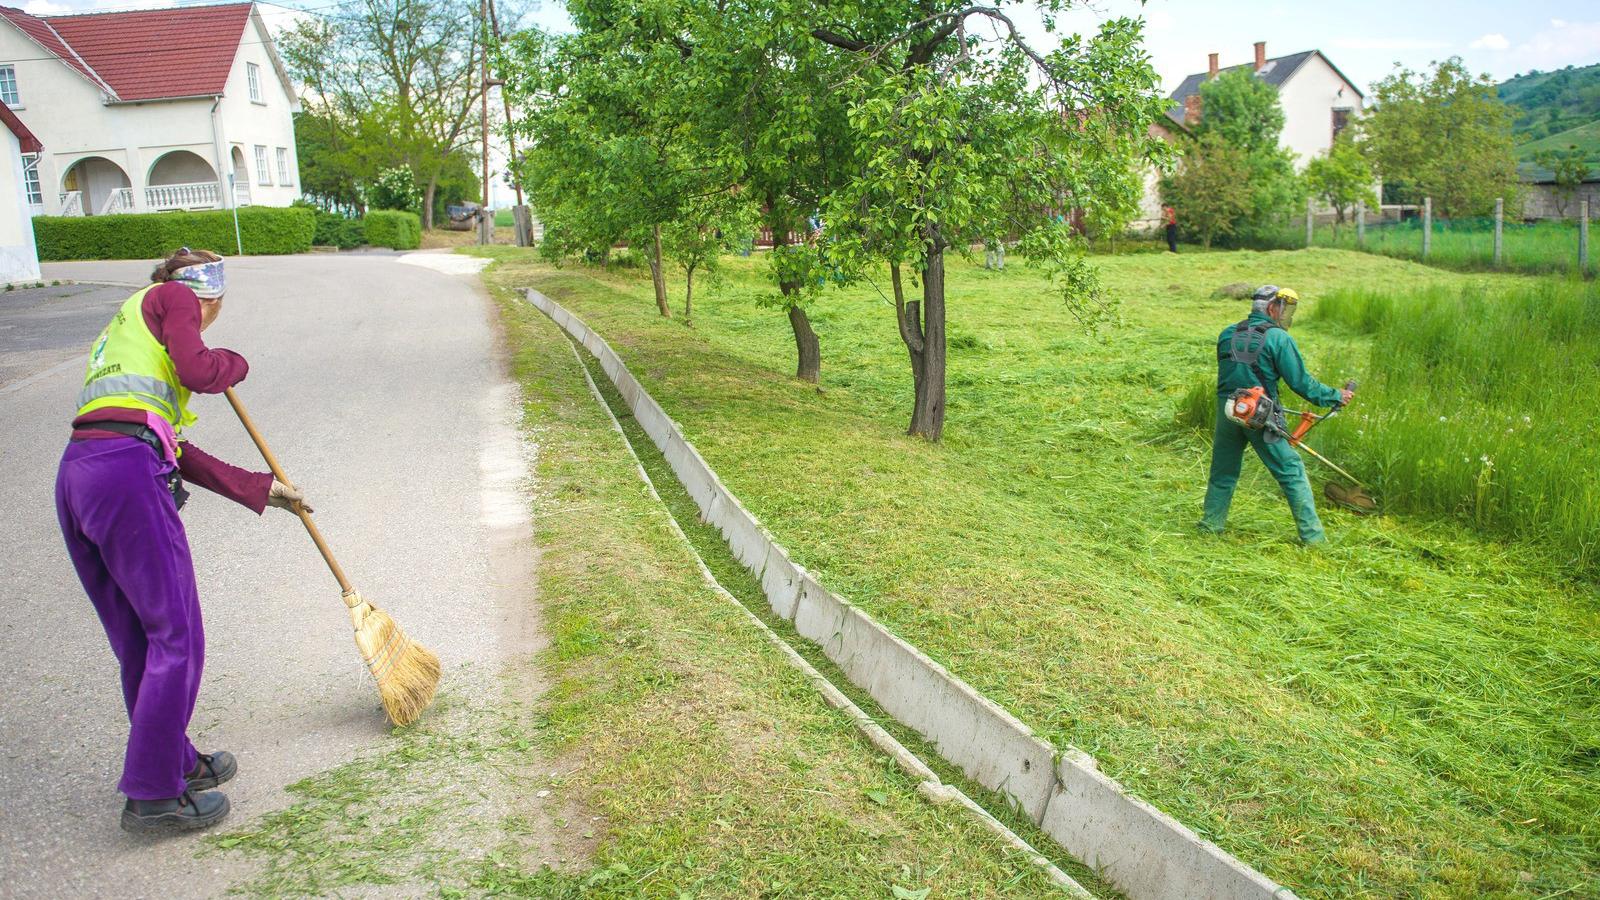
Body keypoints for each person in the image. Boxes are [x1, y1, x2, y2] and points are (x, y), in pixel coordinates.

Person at [56, 248, 309, 833]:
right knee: (176, 636)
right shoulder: (175, 299)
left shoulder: (127, 326)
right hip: (124, 474)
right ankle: (151, 794)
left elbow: (173, 448)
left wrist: (262, 489)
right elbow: (203, 371)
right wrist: (234, 361)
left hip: (83, 472)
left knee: (142, 642)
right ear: (208, 298)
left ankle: (173, 761)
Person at [1199, 285, 1353, 544]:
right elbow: (1302, 383)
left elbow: (1234, 375)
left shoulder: (1227, 334)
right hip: (1258, 416)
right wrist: (1335, 396)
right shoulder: (1279, 339)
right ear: (1273, 308)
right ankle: (1314, 539)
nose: (1285, 315)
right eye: (1284, 309)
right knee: (1291, 470)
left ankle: (1210, 525)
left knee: (1223, 471)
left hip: (1227, 411)